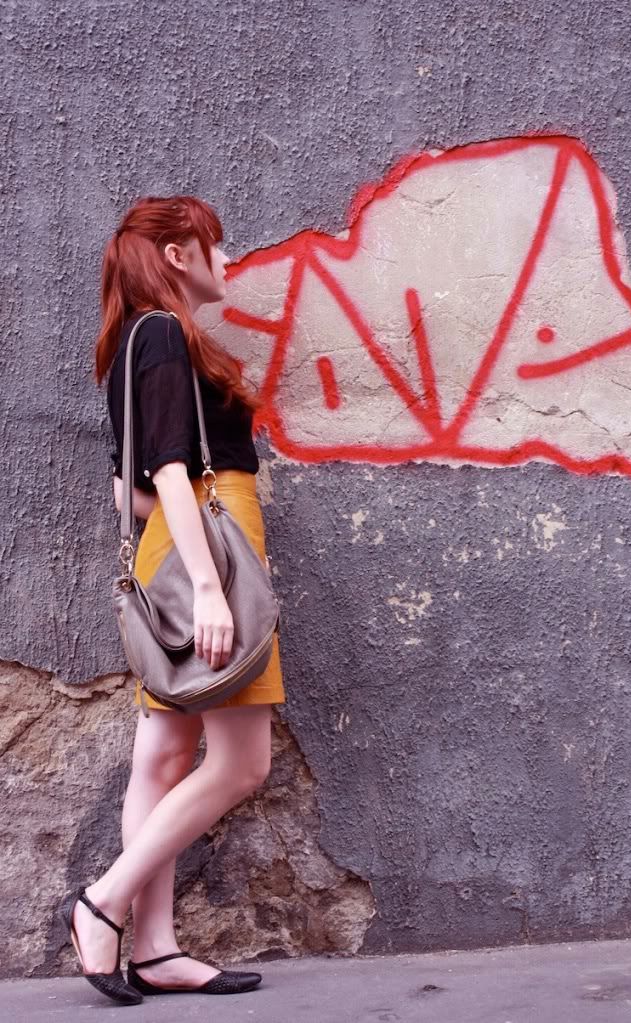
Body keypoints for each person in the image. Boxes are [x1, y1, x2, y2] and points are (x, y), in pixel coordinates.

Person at [59, 195, 285, 1006]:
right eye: (216, 246)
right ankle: (105, 903)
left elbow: (130, 487)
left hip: (183, 548)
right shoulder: (161, 333)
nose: (228, 260)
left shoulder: (135, 341)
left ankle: (154, 950)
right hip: (203, 562)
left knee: (161, 757)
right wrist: (211, 582)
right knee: (241, 761)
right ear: (180, 252)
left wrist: (192, 546)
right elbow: (164, 476)